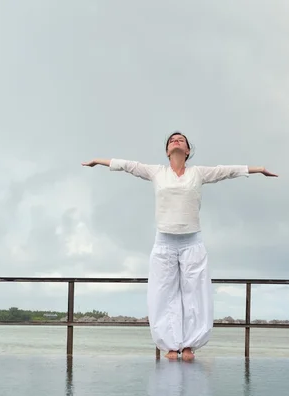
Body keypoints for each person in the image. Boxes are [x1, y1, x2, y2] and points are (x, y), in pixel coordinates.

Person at [82, 132, 277, 361]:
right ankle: (170, 346)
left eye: (180, 139)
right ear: (167, 151)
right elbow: (128, 166)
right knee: (163, 294)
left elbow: (227, 171)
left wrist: (259, 169)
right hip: (164, 242)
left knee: (195, 294)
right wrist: (99, 161)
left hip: (192, 242)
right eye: (172, 139)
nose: (176, 140)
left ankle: (189, 346)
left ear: (187, 151)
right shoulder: (157, 172)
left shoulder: (198, 173)